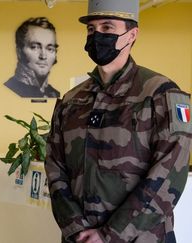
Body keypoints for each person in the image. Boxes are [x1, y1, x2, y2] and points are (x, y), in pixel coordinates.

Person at [45, 0, 192, 242]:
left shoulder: (161, 94)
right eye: (91, 30)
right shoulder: (72, 100)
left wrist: (109, 235)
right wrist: (76, 228)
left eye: (107, 28)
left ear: (131, 34)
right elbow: (54, 166)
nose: (96, 36)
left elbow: (168, 177)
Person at [4, 16, 60, 98]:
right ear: (19, 51)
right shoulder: (9, 90)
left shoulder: (54, 94)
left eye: (50, 48)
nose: (43, 56)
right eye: (35, 47)